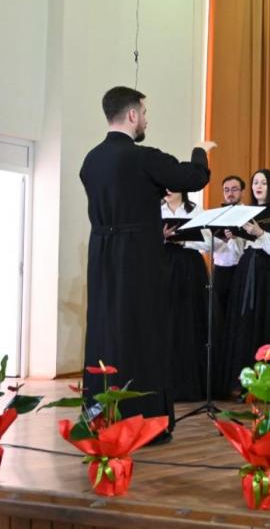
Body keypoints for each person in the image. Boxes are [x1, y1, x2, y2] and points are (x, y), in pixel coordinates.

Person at [80, 86, 213, 445]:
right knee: (143, 334)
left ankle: (100, 416)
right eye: (144, 112)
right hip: (137, 257)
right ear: (132, 115)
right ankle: (144, 423)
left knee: (106, 330)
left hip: (102, 254)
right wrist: (200, 151)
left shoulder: (91, 160)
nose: (146, 120)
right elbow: (193, 178)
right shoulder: (142, 157)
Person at [218, 169, 270, 399]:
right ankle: (243, 381)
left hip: (269, 271)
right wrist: (233, 238)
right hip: (247, 268)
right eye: (255, 182)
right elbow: (240, 249)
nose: (258, 186)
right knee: (245, 323)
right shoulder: (246, 212)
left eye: (263, 183)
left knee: (267, 320)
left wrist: (260, 232)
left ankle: (267, 383)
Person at [160, 190, 209, 402]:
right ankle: (164, 385)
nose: (168, 191)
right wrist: (161, 237)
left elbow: (209, 243)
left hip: (189, 268)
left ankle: (189, 384)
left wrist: (184, 241)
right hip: (163, 266)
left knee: (188, 321)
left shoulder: (196, 211)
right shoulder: (156, 210)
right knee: (165, 322)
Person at [212, 176, 246, 319]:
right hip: (220, 269)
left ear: (242, 191)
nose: (230, 193)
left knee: (238, 313)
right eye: (226, 190)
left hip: (240, 268)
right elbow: (209, 245)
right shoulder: (217, 214)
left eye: (234, 189)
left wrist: (233, 239)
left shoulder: (248, 214)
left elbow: (243, 250)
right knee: (219, 313)